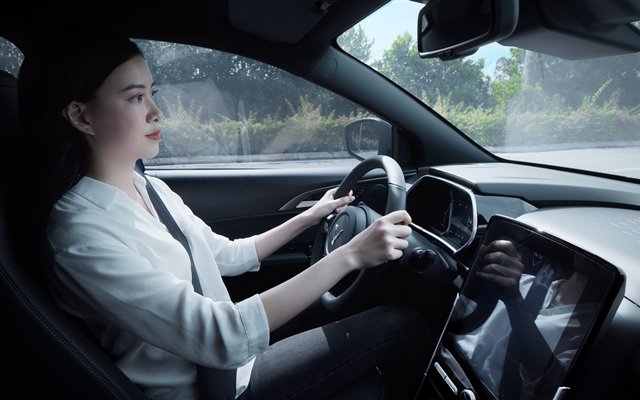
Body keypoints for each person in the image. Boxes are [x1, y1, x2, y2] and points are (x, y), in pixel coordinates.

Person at [15, 24, 430, 400]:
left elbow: (227, 255)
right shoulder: (79, 237)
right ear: (81, 116)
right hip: (215, 389)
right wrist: (351, 255)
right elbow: (221, 335)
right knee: (397, 324)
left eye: (152, 94)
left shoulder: (148, 187)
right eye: (136, 98)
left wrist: (309, 216)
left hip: (231, 364)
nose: (157, 113)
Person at [453, 239, 596, 399]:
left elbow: (548, 385)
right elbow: (460, 314)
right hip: (450, 365)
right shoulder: (522, 281)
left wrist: (515, 302)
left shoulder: (591, 335)